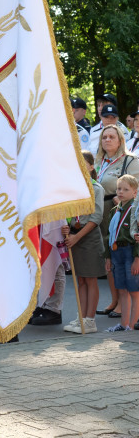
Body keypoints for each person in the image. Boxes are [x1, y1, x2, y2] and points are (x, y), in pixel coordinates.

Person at [95, 125, 139, 317]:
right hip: (103, 212)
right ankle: (114, 300)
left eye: (112, 137)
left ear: (121, 140)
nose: (107, 140)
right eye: (104, 137)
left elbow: (136, 189)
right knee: (110, 257)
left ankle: (125, 304)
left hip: (123, 213)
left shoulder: (130, 161)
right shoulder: (100, 161)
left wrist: (125, 200)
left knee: (124, 258)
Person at [61, 150, 104, 334]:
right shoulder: (74, 189)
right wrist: (67, 228)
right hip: (75, 237)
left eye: (82, 163)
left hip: (89, 237)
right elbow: (71, 215)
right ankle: (81, 316)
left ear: (91, 166)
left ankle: (90, 320)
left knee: (91, 279)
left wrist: (77, 236)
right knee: (81, 281)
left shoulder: (96, 188)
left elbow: (96, 217)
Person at [105, 174, 139, 332]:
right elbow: (109, 235)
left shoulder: (135, 211)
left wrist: (137, 259)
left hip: (131, 252)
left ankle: (132, 326)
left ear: (135, 192)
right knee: (122, 290)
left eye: (126, 189)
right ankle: (123, 323)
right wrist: (108, 256)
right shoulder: (114, 211)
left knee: (134, 291)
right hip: (116, 252)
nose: (121, 192)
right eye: (119, 188)